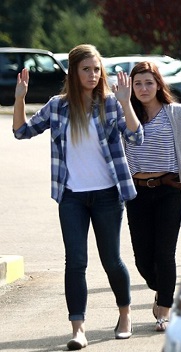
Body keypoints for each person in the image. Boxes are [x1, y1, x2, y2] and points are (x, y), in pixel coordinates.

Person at [12, 44, 141, 350]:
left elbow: (136, 136)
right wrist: (20, 98)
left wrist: (126, 104)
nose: (93, 75)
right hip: (71, 196)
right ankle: (78, 328)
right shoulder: (58, 106)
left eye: (97, 69)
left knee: (112, 260)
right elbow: (21, 131)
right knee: (76, 262)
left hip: (108, 195)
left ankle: (124, 316)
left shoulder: (110, 103)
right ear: (73, 72)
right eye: (86, 69)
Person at [124, 58, 181, 332]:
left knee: (165, 253)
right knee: (143, 258)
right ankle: (162, 289)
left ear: (158, 85)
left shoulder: (175, 113)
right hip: (137, 193)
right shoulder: (125, 114)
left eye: (149, 83)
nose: (143, 88)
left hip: (169, 191)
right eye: (138, 83)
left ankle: (165, 309)